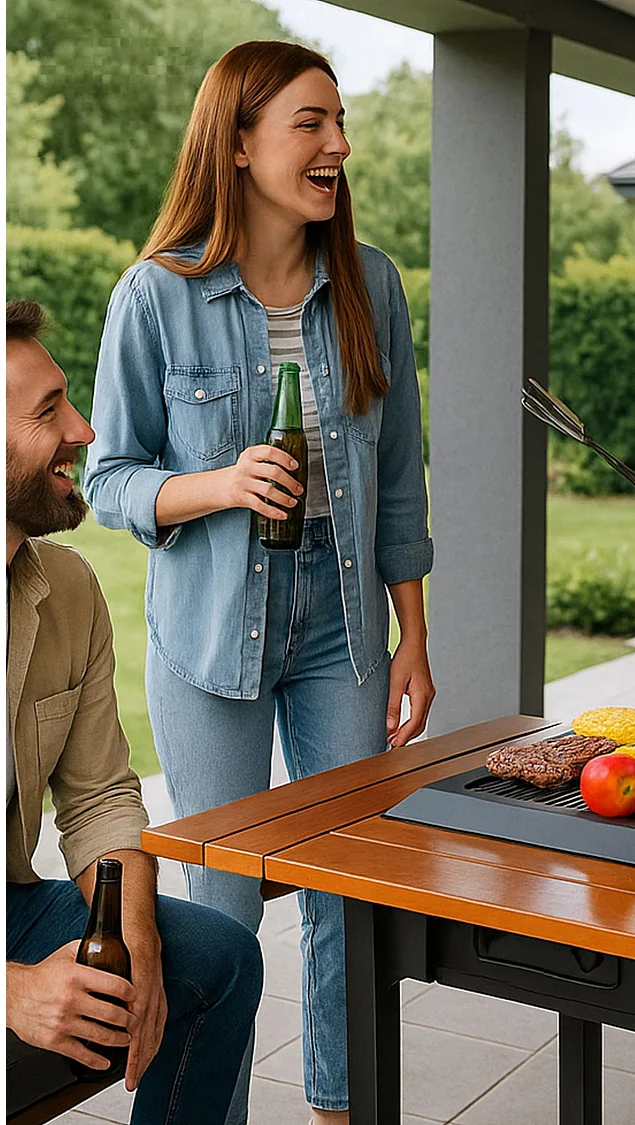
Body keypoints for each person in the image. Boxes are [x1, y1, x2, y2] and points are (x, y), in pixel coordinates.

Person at [83, 42, 434, 1125]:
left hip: (339, 624)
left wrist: (409, 636)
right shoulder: (157, 294)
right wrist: (224, 483)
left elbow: (399, 473)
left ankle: (340, 1106)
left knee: (348, 889)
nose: (337, 145)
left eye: (340, 125)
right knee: (226, 912)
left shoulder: (369, 282)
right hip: (209, 633)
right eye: (310, 124)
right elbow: (110, 480)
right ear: (238, 143)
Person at [6, 299, 263, 1125]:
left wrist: (140, 932)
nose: (84, 431)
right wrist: (11, 992)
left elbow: (98, 797)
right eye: (49, 412)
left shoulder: (69, 589)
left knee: (217, 958)